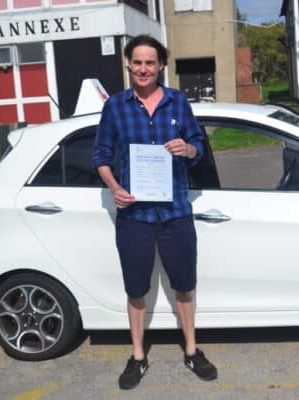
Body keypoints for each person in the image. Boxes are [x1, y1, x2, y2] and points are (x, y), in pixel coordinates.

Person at [93, 34, 217, 390]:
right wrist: (115, 189)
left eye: (150, 62)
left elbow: (199, 147)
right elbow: (101, 155)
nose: (144, 68)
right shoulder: (115, 106)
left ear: (161, 65)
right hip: (135, 217)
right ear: (128, 65)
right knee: (136, 289)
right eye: (137, 62)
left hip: (176, 212)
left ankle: (192, 350)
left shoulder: (178, 102)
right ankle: (137, 356)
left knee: (184, 286)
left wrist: (188, 150)